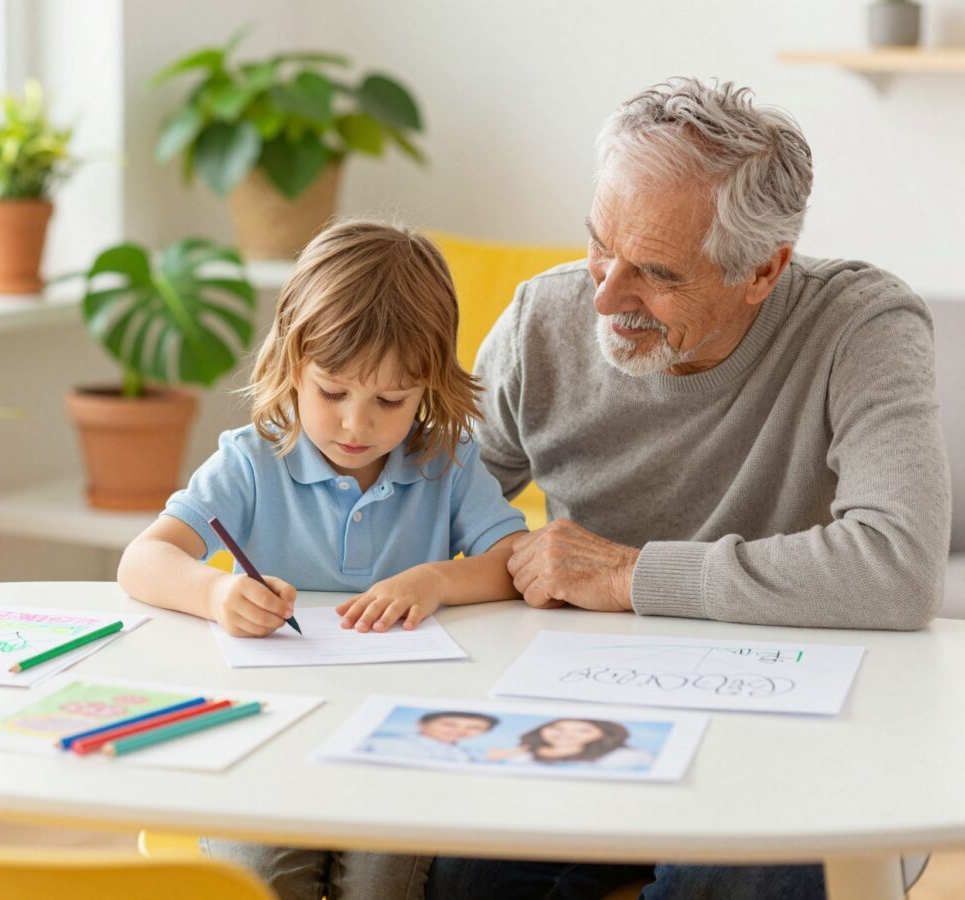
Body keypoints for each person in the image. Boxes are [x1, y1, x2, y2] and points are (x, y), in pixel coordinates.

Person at [427, 76, 950, 900]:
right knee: (458, 880)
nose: (604, 294)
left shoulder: (863, 326)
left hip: (796, 732)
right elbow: (426, 509)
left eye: (656, 273)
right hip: (587, 720)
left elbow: (896, 565)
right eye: (599, 243)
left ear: (763, 270)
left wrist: (628, 576)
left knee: (718, 885)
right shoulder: (543, 318)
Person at [118, 219, 527, 900]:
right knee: (263, 881)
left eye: (391, 400)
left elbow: (517, 562)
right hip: (267, 738)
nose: (355, 425)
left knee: (379, 887)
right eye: (332, 391)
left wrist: (437, 579)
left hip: (403, 747)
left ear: (429, 386)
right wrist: (217, 597)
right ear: (290, 364)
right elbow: (145, 559)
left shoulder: (446, 463)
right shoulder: (252, 459)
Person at [486, 718, 654, 769]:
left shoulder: (625, 757)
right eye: (556, 727)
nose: (566, 734)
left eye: (583, 730)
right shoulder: (518, 755)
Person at [362, 710, 499, 763]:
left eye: (474, 728)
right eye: (449, 724)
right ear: (421, 724)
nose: (460, 731)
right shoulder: (378, 744)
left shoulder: (464, 753)